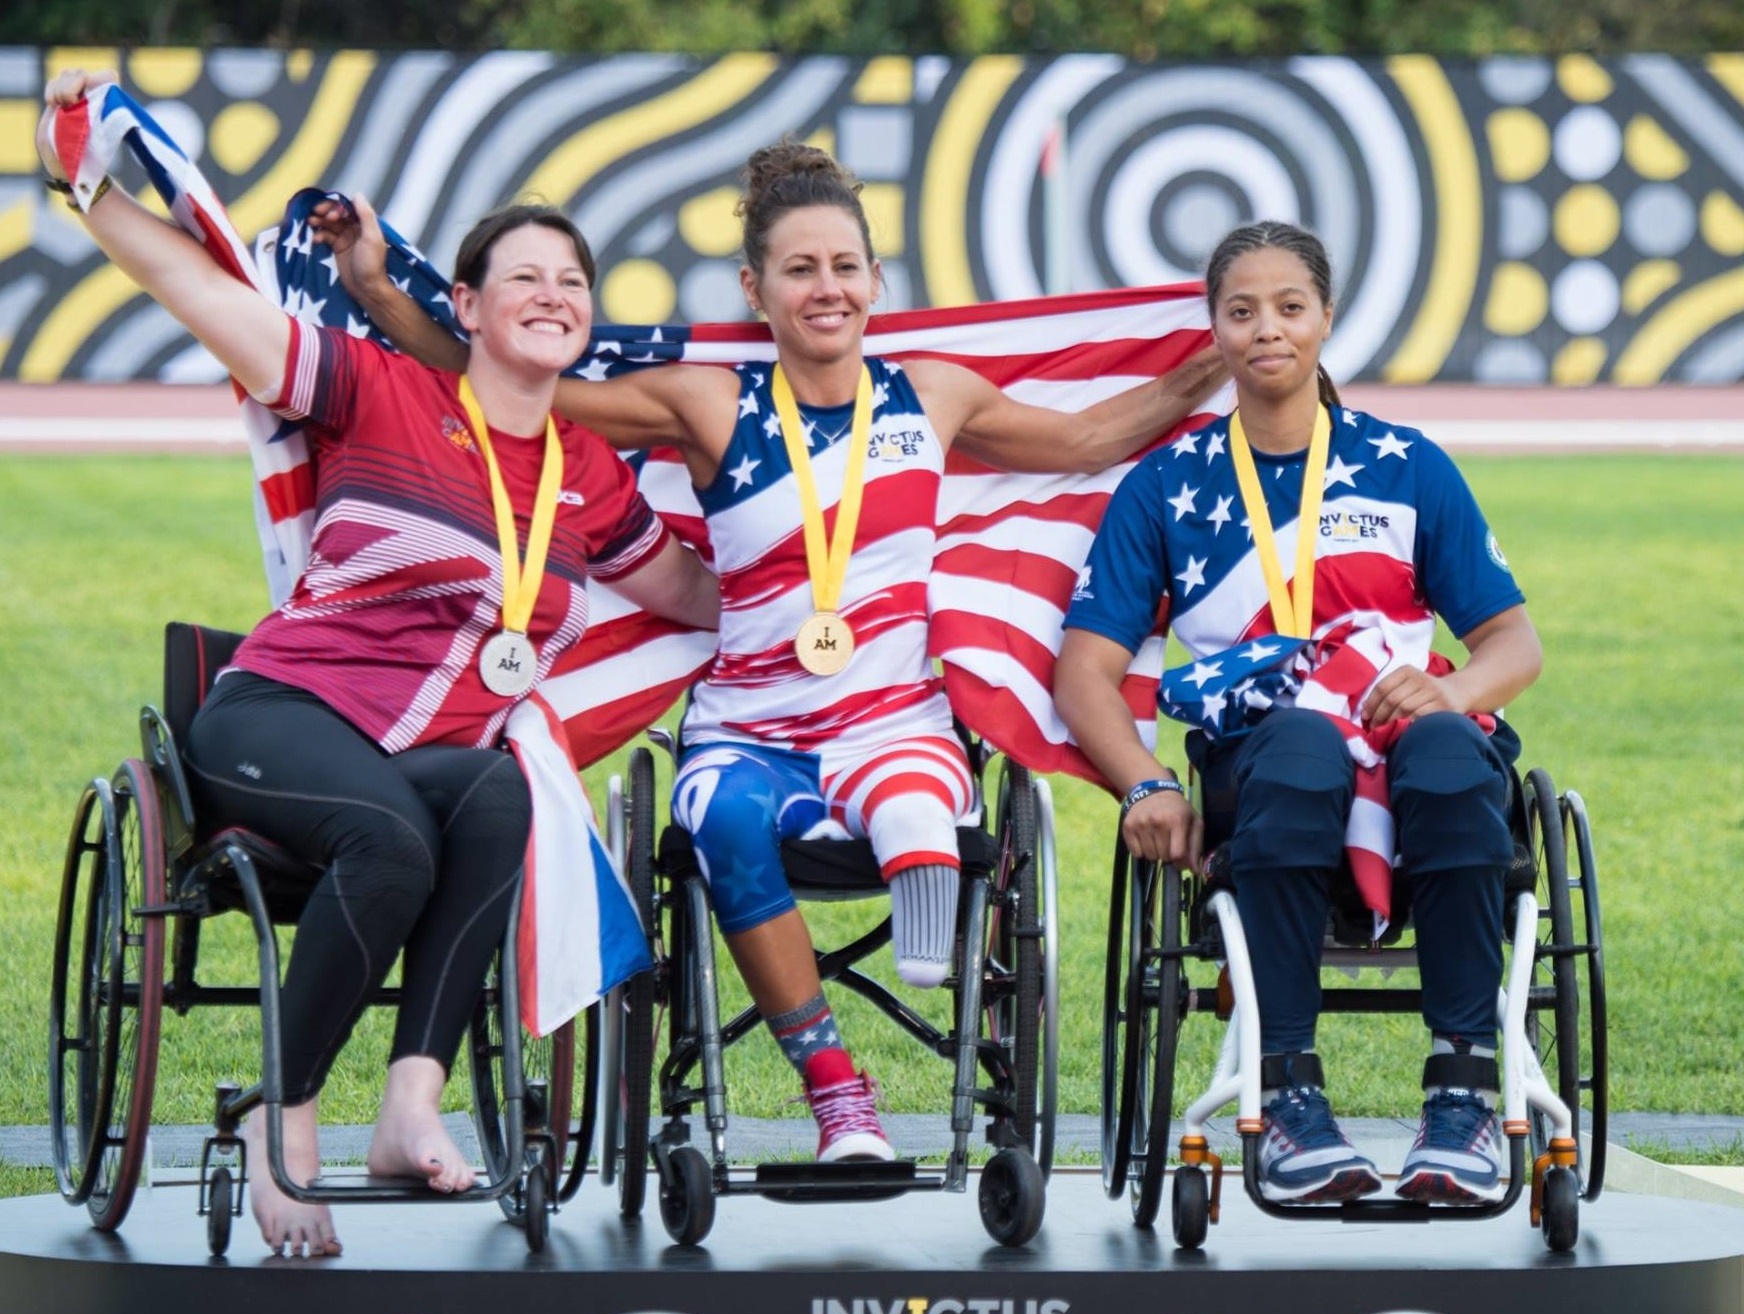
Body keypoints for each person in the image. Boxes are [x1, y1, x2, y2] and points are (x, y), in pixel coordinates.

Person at [326, 140, 1226, 1163]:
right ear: (757, 288)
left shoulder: (932, 394)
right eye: (799, 270)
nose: (826, 288)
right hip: (747, 731)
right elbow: (505, 378)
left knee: (917, 798)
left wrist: (1214, 364)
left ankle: (928, 916)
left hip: (895, 721)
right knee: (717, 814)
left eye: (845, 266)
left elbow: (1086, 441)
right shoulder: (710, 401)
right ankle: (839, 1094)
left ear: (877, 281)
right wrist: (380, 293)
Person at [38, 69, 719, 1256]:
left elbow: (696, 594)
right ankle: (279, 1118)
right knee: (393, 837)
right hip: (281, 710)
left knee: (504, 792)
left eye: (572, 282)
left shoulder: (589, 475)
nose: (553, 297)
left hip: (423, 756)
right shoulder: (381, 388)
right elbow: (196, 289)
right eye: (525, 278)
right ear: (464, 303)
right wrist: (86, 192)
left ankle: (411, 1105)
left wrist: (850, 575)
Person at [1054, 220, 1543, 1206]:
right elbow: (1083, 674)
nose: (1266, 328)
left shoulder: (1406, 463)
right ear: (1215, 331)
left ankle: (1464, 1097)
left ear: (1324, 318)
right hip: (1266, 767)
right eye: (1241, 310)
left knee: (1449, 751)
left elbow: (1513, 646)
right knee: (1301, 747)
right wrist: (1145, 781)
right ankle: (1285, 1097)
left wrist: (1447, 690)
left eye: (1288, 306)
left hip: (1412, 746)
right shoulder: (1166, 486)